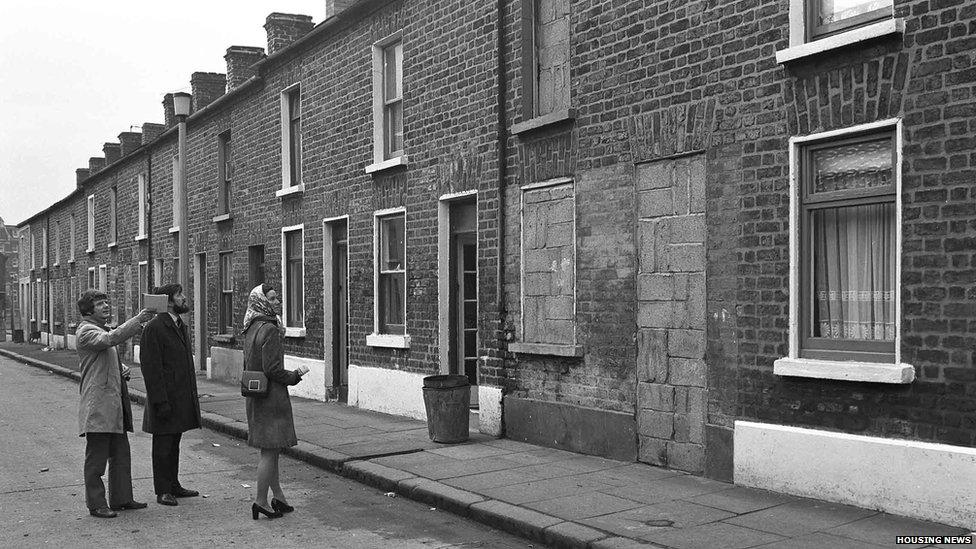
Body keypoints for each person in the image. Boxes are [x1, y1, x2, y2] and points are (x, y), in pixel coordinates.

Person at [76, 289, 155, 518]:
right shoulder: (86, 331)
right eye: (100, 304)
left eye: (106, 302)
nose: (106, 306)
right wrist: (139, 319)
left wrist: (121, 369)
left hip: (114, 402)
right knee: (96, 458)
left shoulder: (100, 329)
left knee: (121, 453)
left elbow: (103, 356)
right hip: (98, 404)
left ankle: (122, 498)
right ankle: (96, 504)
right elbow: (109, 340)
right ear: (88, 310)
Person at [241, 284, 308, 520]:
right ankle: (260, 501)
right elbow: (273, 369)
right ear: (262, 302)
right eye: (272, 298)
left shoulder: (250, 326)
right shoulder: (269, 329)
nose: (277, 301)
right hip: (271, 398)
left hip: (256, 395)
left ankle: (278, 496)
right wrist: (295, 375)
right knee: (269, 452)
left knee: (272, 449)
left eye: (277, 298)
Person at [139, 283, 202, 506]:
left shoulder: (179, 325)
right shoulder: (154, 328)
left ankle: (173, 484)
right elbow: (151, 368)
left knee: (174, 442)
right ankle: (163, 490)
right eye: (179, 295)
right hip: (164, 399)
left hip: (179, 396)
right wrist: (160, 401)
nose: (184, 298)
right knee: (162, 445)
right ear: (168, 301)